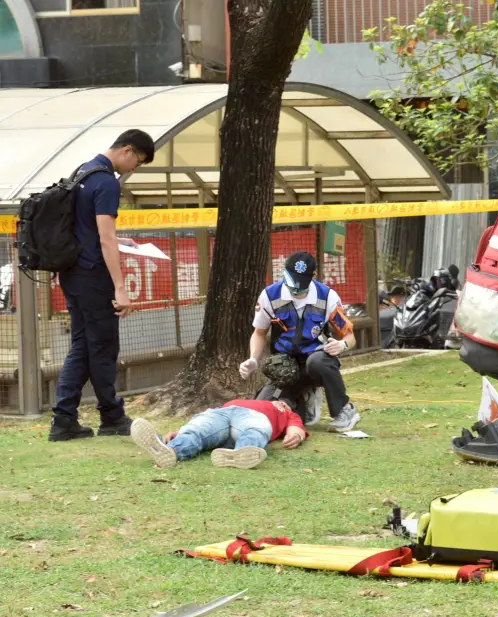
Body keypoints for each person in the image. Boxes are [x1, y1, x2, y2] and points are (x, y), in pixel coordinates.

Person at [49, 130, 155, 442]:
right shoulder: (107, 181)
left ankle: (64, 418)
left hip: (72, 273)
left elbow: (87, 229)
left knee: (83, 345)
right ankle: (111, 416)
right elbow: (105, 238)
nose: (134, 169)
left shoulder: (83, 172)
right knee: (104, 346)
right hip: (94, 276)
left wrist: (118, 239)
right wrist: (120, 288)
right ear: (127, 150)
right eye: (138, 161)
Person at [240, 251, 360, 433]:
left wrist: (341, 345)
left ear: (314, 276)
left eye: (301, 285)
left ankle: (344, 410)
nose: (296, 290)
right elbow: (259, 333)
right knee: (264, 410)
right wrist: (253, 359)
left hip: (315, 361)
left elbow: (350, 337)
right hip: (286, 368)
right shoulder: (269, 296)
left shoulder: (328, 297)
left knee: (318, 361)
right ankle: (304, 399)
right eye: (292, 284)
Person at [129, 399, 307, 470]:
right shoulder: (259, 402)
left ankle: (242, 453)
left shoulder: (287, 413)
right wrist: (180, 431)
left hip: (239, 417)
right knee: (197, 431)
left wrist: (296, 436)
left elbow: (296, 429)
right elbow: (207, 423)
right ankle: (170, 450)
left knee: (256, 429)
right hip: (225, 413)